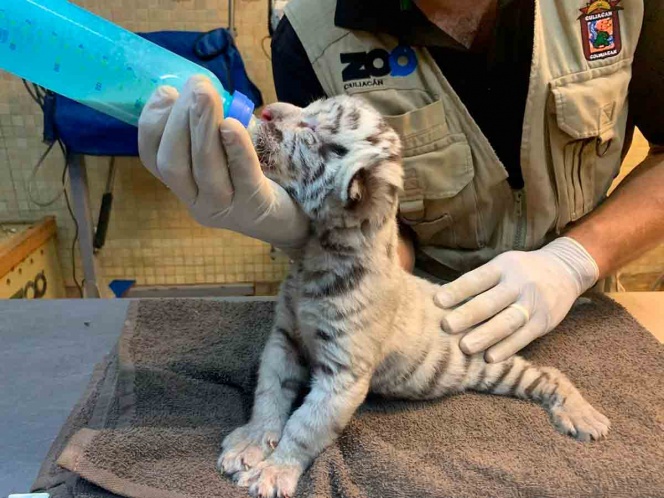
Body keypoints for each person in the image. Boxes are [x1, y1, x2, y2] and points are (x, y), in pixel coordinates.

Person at [137, 0, 663, 363]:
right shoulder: (310, 33)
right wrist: (318, 238)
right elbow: (385, 228)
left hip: (588, 313)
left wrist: (572, 262)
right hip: (424, 328)